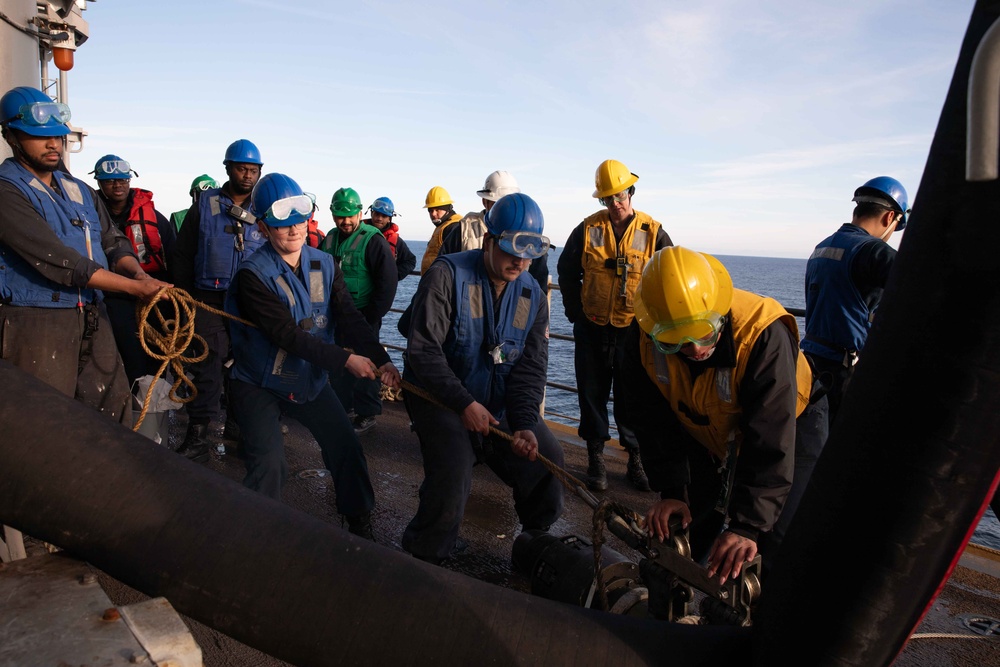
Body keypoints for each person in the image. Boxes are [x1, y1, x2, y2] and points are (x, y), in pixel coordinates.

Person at [623, 247, 827, 582]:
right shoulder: (642, 339)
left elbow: (770, 437)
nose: (695, 350)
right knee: (691, 520)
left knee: (773, 541)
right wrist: (673, 491)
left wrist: (747, 526)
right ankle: (675, 600)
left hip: (792, 423)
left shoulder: (762, 334)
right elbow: (651, 420)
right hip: (707, 423)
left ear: (720, 312)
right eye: (675, 343)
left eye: (704, 333)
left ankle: (753, 625)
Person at [224, 173, 399, 540]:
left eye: (299, 219)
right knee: (269, 463)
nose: (294, 230)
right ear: (263, 226)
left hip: (307, 377)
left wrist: (380, 359)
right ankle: (257, 538)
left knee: (346, 446)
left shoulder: (324, 262)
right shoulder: (251, 276)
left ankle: (358, 521)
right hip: (260, 381)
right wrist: (345, 361)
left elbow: (349, 317)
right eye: (282, 223)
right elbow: (286, 335)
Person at [401, 192, 564, 565]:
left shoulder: (532, 294)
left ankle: (534, 545)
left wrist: (523, 422)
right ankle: (425, 554)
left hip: (495, 399)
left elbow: (529, 368)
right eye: (511, 251)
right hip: (438, 395)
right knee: (454, 468)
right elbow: (423, 353)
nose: (520, 262)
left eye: (528, 254)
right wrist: (463, 404)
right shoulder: (446, 274)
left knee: (549, 458)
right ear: (488, 241)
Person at [0, 86, 170, 423]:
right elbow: (62, 261)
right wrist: (136, 289)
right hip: (37, 321)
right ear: (11, 136)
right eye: (40, 137)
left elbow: (113, 240)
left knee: (112, 411)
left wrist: (136, 272)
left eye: (58, 136)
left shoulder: (79, 189)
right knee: (43, 421)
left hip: (92, 314)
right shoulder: (7, 191)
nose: (53, 144)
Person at [556, 159, 672, 493]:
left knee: (632, 397)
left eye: (620, 196)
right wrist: (574, 312)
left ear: (631, 192)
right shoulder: (588, 228)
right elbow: (566, 270)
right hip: (591, 327)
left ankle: (635, 460)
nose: (615, 204)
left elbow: (667, 278)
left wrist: (654, 325)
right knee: (590, 395)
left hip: (634, 331)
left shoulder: (653, 232)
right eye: (607, 199)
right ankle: (596, 461)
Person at [171, 138, 266, 462]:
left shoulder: (264, 207)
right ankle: (198, 433)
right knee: (208, 363)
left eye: (254, 170)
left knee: (246, 365)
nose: (248, 175)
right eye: (242, 168)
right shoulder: (205, 204)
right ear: (228, 168)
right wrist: (186, 297)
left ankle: (237, 428)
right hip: (208, 297)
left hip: (249, 300)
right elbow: (183, 253)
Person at [802, 176, 910, 427]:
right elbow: (917, 290)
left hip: (812, 365)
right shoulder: (874, 251)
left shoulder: (821, 247)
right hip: (847, 371)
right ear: (889, 218)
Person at [91, 154, 177, 385]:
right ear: (99, 183)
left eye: (122, 180)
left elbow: (173, 255)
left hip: (152, 294)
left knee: (156, 354)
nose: (117, 185)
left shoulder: (154, 219)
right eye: (110, 181)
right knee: (126, 356)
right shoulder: (89, 217)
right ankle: (129, 405)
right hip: (112, 296)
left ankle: (151, 406)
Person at [320, 188, 398, 434]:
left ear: (359, 212)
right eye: (340, 216)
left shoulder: (373, 240)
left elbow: (387, 284)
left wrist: (371, 318)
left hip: (364, 316)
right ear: (333, 215)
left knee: (368, 366)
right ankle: (343, 407)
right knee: (340, 362)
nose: (345, 221)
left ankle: (367, 413)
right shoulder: (329, 239)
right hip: (335, 317)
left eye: (351, 215)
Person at [439, 170, 550, 291]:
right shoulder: (463, 230)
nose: (503, 211)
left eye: (507, 205)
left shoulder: (531, 238)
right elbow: (443, 272)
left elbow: (539, 283)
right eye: (498, 204)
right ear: (484, 201)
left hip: (511, 302)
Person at [365, 196, 416, 281]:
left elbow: (410, 261)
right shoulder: (357, 233)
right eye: (377, 214)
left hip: (380, 290)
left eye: (384, 216)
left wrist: (392, 277)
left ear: (389, 219)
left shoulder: (396, 241)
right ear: (372, 213)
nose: (379, 218)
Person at [419, 185, 462, 274]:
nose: (433, 214)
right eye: (430, 210)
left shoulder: (453, 227)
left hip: (440, 284)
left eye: (437, 210)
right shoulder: (443, 226)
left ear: (448, 209)